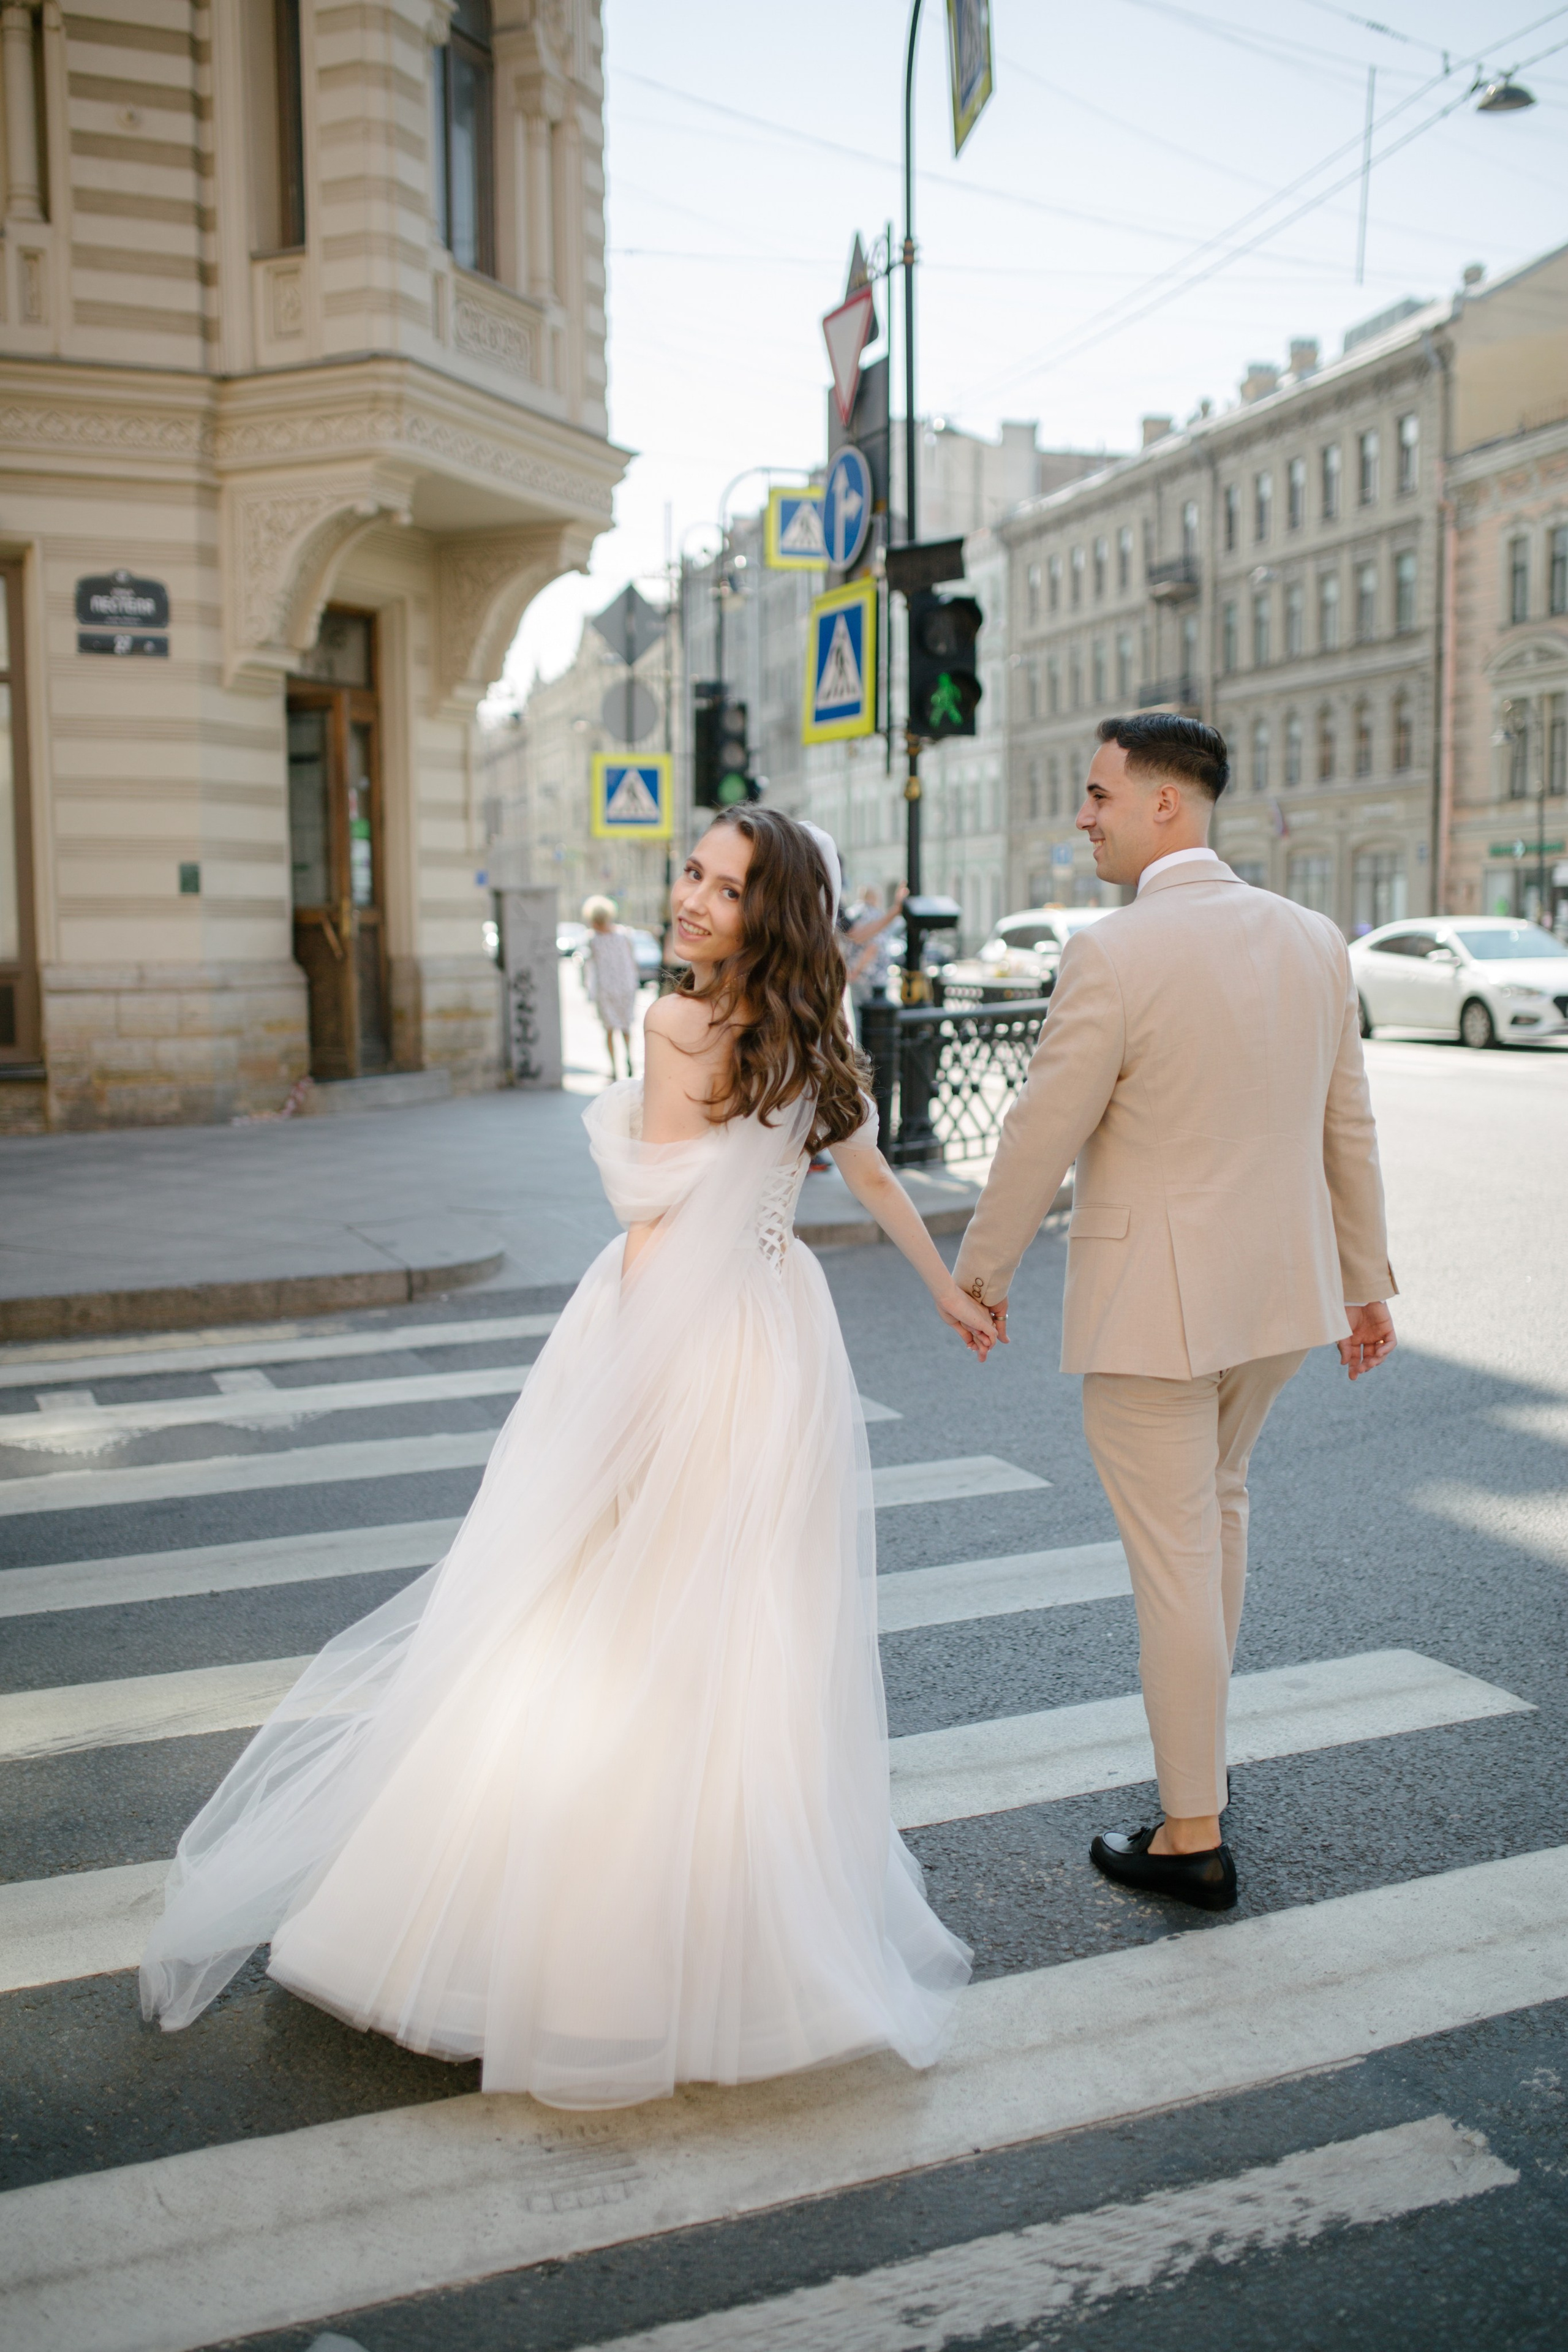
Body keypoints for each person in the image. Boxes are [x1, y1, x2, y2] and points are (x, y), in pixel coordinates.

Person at [141, 808, 995, 2109]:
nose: (692, 899)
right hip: (772, 1349)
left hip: (679, 1343)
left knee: (608, 1615)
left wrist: (616, 1416)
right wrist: (945, 1292)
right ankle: (736, 1934)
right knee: (735, 1629)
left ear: (767, 914)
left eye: (724, 886)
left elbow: (658, 1234)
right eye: (691, 875)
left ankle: (569, 1932)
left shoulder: (677, 1026)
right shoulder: (803, 1037)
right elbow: (873, 1183)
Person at [954, 713, 1396, 1914]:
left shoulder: (1115, 951)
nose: (1081, 816)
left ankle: (1189, 1832)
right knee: (1216, 1513)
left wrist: (979, 1271)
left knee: (1171, 1556)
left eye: (1097, 795)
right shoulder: (1311, 941)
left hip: (1156, 1307)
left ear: (1166, 805)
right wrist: (1365, 1284)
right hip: (1280, 1299)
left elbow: (1040, 1128)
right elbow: (1341, 1126)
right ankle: (1200, 1770)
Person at [581, 895, 641, 1080]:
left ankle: (615, 1067)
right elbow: (632, 961)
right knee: (625, 1027)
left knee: (609, 1029)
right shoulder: (624, 935)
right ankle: (628, 1059)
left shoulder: (593, 940)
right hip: (624, 987)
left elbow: (588, 967)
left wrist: (588, 989)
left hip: (607, 989)